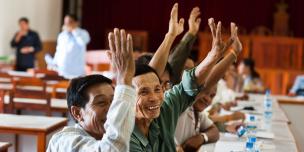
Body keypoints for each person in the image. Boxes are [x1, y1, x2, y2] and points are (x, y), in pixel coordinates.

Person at [129, 2, 243, 150]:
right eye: (144, 91)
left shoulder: (164, 108)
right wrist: (172, 36)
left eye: (160, 88)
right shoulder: (126, 136)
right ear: (126, 95)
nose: (155, 96)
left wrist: (214, 56)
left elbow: (195, 82)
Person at [47, 29, 136, 151]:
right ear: (78, 113)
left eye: (114, 101)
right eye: (101, 102)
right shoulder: (66, 141)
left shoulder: (103, 135)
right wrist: (124, 81)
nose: (112, 110)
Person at [174, 86, 219, 152]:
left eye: (212, 96)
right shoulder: (182, 109)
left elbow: (215, 131)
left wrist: (202, 138)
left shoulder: (198, 111)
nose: (208, 99)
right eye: (205, 92)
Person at [46, 14, 90, 79]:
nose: (67, 24)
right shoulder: (62, 35)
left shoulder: (83, 33)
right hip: (62, 70)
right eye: (65, 22)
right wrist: (54, 62)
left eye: (69, 22)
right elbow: (59, 50)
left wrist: (74, 31)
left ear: (76, 22)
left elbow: (83, 42)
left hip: (76, 71)